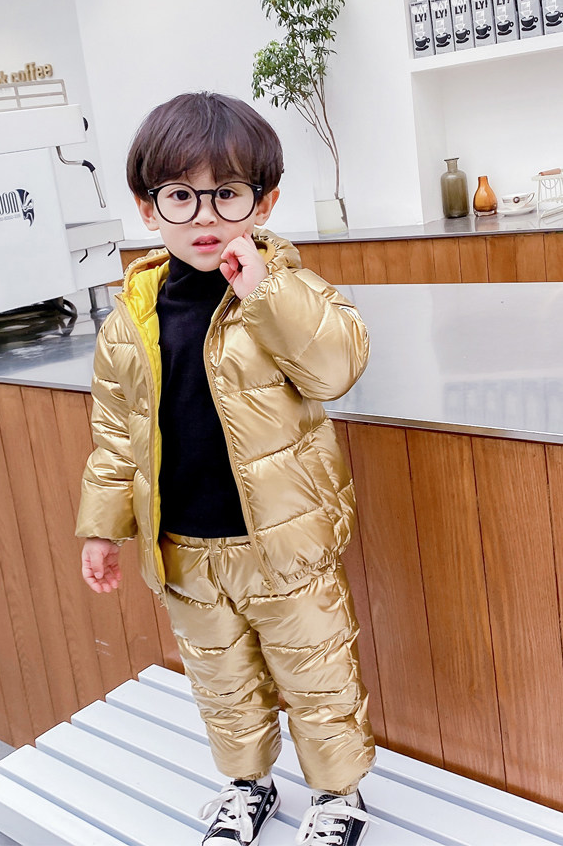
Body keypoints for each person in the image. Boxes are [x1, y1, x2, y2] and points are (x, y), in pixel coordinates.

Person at [77, 92, 375, 846]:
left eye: (227, 194)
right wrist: (102, 529)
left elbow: (337, 367)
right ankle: (247, 785)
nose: (204, 215)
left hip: (284, 544)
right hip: (184, 549)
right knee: (221, 684)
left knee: (318, 675)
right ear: (148, 208)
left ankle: (338, 796)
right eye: (180, 195)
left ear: (263, 201)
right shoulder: (129, 320)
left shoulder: (286, 289)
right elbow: (114, 437)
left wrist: (263, 291)